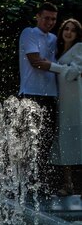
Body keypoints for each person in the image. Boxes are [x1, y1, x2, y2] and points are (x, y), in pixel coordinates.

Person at [18, 2, 58, 194]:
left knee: (46, 141)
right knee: (28, 141)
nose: (50, 22)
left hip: (51, 95)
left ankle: (39, 183)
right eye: (46, 18)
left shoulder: (55, 38)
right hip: (31, 94)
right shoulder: (29, 33)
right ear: (38, 17)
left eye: (53, 19)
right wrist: (62, 69)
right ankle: (22, 184)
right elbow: (36, 62)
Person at [44, 19, 82, 196]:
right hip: (62, 103)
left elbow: (74, 73)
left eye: (73, 30)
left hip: (75, 104)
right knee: (65, 141)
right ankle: (68, 185)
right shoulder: (59, 51)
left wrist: (52, 66)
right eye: (66, 29)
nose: (68, 32)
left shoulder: (79, 48)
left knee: (77, 139)